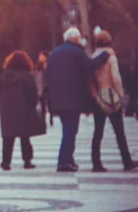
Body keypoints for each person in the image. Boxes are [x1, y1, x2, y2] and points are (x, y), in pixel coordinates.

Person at [46, 27, 110, 172]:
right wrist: (104, 55)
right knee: (70, 130)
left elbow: (48, 75)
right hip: (72, 98)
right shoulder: (76, 51)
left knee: (68, 129)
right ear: (74, 38)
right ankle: (63, 162)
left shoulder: (55, 53)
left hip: (58, 99)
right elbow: (90, 65)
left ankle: (69, 159)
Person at [89, 29, 138, 172]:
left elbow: (90, 79)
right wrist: (120, 94)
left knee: (98, 131)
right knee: (119, 131)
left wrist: (95, 95)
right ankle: (126, 161)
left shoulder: (93, 57)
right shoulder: (111, 56)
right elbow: (116, 77)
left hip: (99, 96)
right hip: (111, 96)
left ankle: (96, 162)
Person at [0, 51, 46, 171]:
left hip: (7, 111)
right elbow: (32, 94)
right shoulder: (26, 76)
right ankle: (27, 161)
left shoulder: (4, 75)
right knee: (25, 136)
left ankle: (5, 162)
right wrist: (33, 104)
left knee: (7, 137)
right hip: (23, 109)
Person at [34, 50, 52, 125]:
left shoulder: (50, 64)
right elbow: (37, 77)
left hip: (49, 87)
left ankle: (51, 116)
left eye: (41, 55)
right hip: (41, 87)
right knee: (42, 104)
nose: (40, 57)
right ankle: (43, 119)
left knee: (50, 104)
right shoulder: (38, 66)